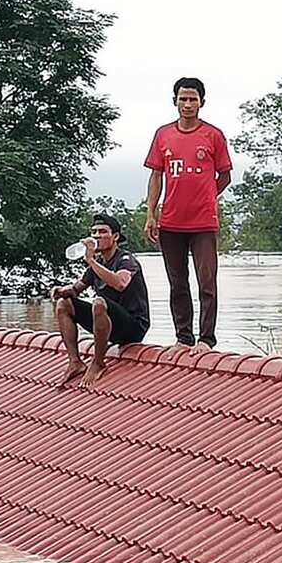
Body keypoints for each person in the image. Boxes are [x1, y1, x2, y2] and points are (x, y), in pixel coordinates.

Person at [143, 77, 233, 353]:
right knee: (177, 283)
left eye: (193, 99)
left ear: (201, 103)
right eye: (183, 99)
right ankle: (183, 338)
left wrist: (207, 196)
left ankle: (206, 339)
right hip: (171, 221)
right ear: (175, 102)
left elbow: (225, 175)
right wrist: (151, 213)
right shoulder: (163, 135)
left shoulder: (213, 135)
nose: (188, 104)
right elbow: (156, 175)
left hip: (203, 222)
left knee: (207, 282)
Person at [50, 214, 151, 387]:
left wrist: (90, 261)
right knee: (64, 304)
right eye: (94, 232)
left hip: (133, 326)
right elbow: (76, 289)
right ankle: (75, 362)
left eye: (103, 232)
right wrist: (60, 291)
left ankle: (98, 363)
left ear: (115, 237)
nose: (97, 236)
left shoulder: (126, 260)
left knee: (98, 302)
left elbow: (120, 283)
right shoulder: (97, 264)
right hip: (107, 321)